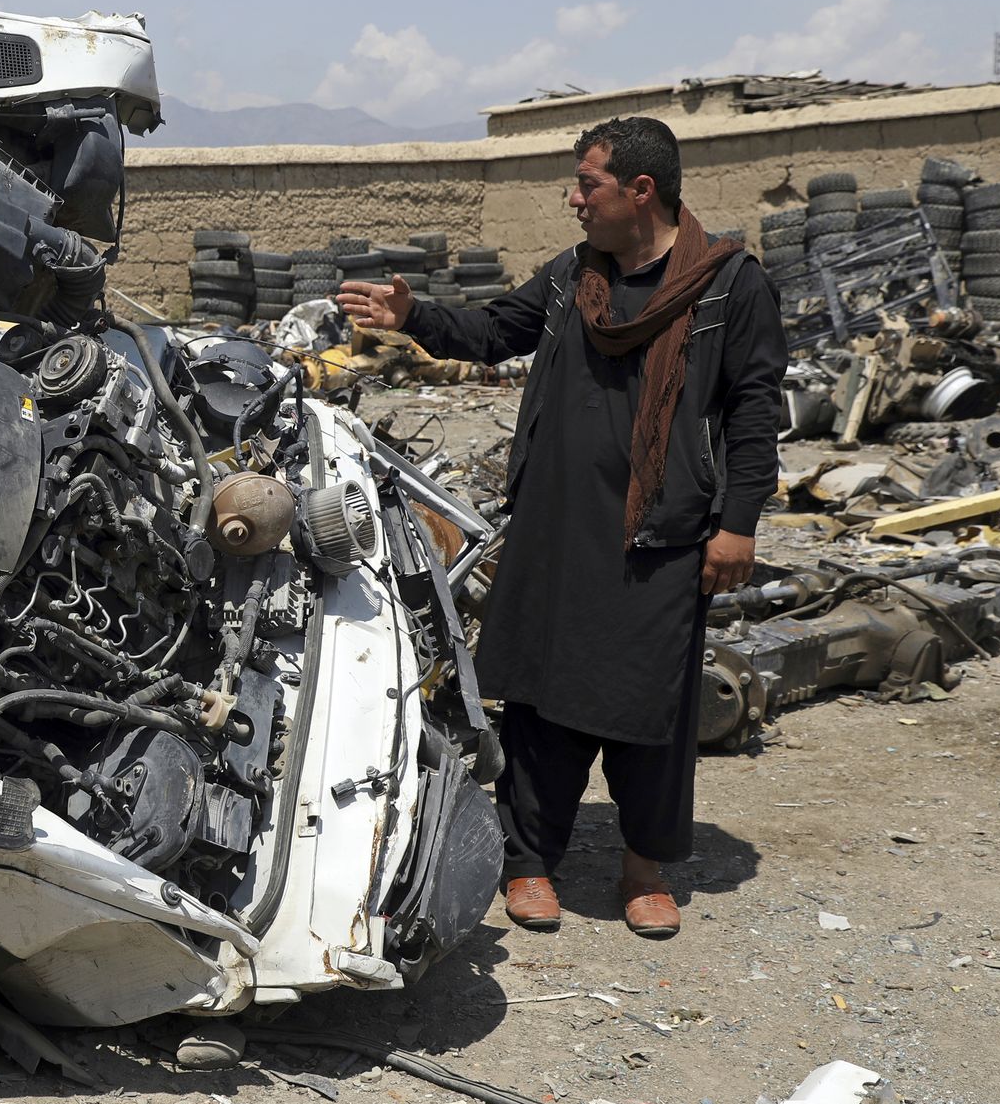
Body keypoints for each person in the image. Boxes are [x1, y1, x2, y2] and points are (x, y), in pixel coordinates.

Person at [335, 117, 787, 940]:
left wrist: (739, 524)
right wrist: (415, 315)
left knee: (651, 700)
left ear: (639, 191)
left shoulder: (729, 286)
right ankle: (530, 858)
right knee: (541, 699)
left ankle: (644, 867)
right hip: (556, 522)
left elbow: (756, 412)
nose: (572, 198)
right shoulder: (573, 276)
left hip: (662, 529)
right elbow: (494, 332)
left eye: (588, 183)